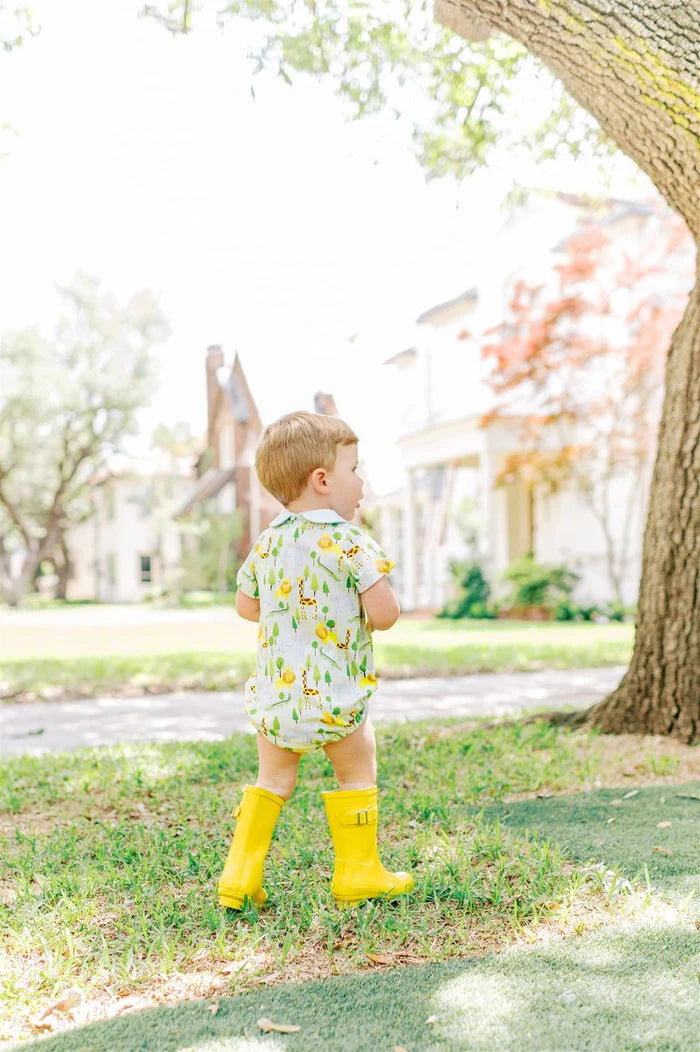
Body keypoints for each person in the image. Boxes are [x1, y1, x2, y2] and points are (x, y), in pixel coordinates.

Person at [217, 410, 414, 909]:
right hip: (336, 695)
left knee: (273, 781)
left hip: (278, 694)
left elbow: (246, 606)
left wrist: (288, 611)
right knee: (355, 773)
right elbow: (386, 614)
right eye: (355, 470)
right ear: (322, 480)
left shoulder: (268, 541)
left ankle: (239, 877)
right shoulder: (348, 541)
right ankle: (357, 874)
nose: (362, 482)